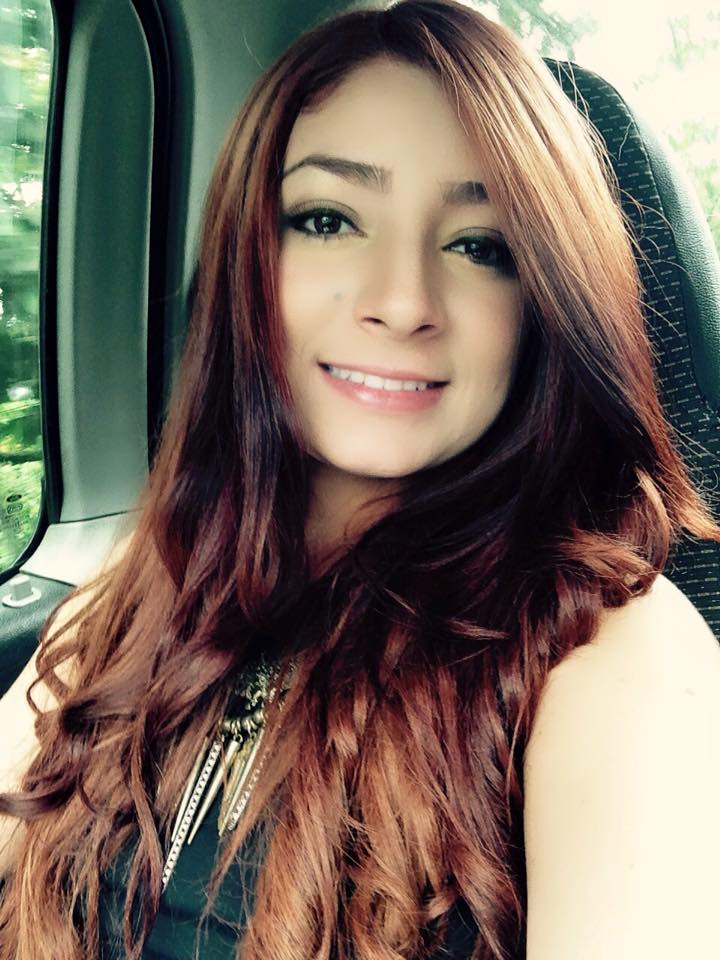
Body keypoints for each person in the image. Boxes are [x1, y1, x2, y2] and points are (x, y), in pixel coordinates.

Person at [1, 1, 719, 957]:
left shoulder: (613, 656)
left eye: (481, 246)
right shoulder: (144, 576)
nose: (403, 301)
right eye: (329, 220)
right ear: (248, 257)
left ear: (547, 303)